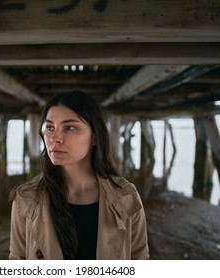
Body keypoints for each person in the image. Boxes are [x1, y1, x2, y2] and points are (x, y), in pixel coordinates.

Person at [9, 91, 149, 260]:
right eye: (50, 127)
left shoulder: (126, 196)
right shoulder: (26, 198)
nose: (55, 138)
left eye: (69, 128)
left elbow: (140, 260)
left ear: (95, 137)